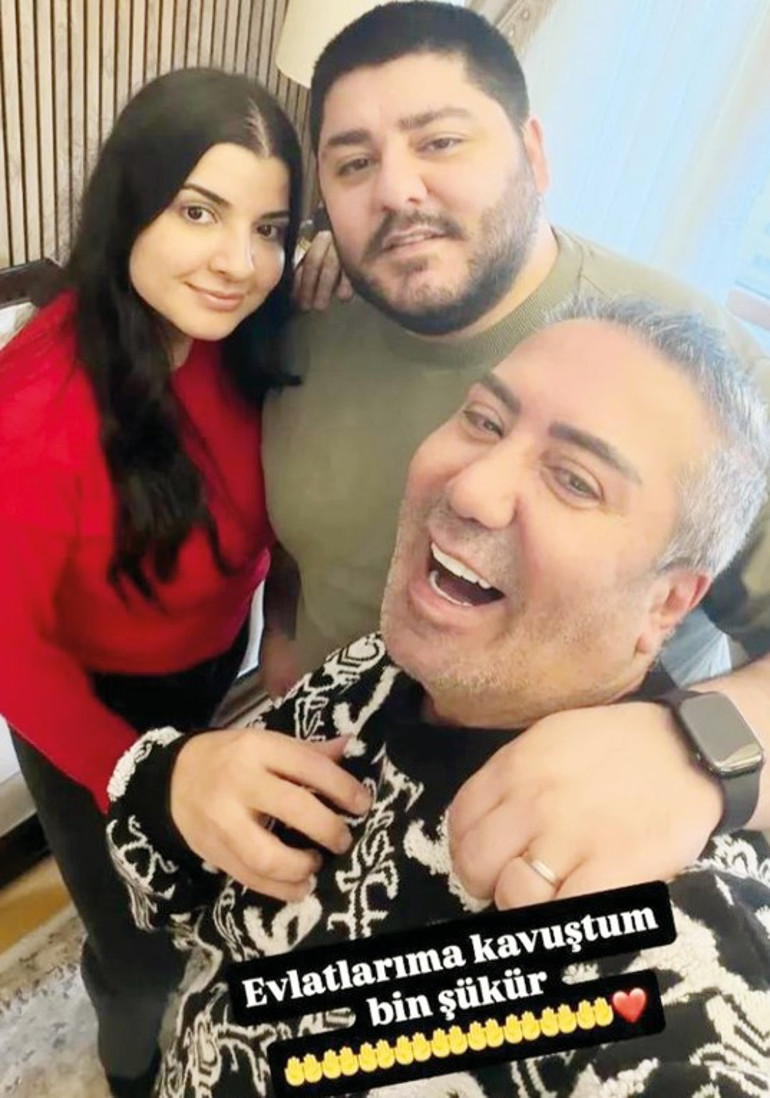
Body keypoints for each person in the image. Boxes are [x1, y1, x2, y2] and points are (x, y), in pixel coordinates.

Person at [107, 298, 770, 1096]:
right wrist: (175, 785)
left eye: (574, 480)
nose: (473, 490)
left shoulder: (676, 928)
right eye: (485, 420)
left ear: (668, 603)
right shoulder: (380, 670)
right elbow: (194, 903)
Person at [229, 1, 770, 910]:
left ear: (534, 152)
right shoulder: (303, 324)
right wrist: (282, 658)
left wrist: (692, 749)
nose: (397, 190)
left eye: (440, 142)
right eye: (354, 163)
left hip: (529, 866)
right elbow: (299, 532)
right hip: (321, 801)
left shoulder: (692, 374)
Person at [0, 68, 364, 1098]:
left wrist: (280, 625)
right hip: (85, 706)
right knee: (143, 956)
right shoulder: (31, 417)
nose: (237, 262)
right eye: (199, 212)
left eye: (269, 227)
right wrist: (146, 774)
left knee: (200, 892)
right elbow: (13, 656)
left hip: (209, 661)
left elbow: (282, 495)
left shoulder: (248, 329)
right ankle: (128, 1071)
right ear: (132, 204)